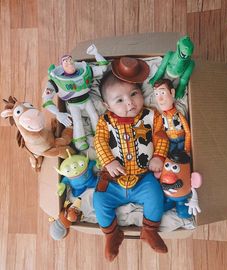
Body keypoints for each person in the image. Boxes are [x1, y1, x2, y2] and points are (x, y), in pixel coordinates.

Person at [93, 57, 169, 262]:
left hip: (142, 178)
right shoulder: (105, 121)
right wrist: (108, 161)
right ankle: (112, 234)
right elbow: (99, 141)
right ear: (106, 105)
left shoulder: (150, 116)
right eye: (119, 100)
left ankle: (149, 230)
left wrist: (158, 156)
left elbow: (161, 135)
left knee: (155, 195)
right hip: (113, 182)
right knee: (99, 200)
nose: (130, 102)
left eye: (134, 94)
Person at [42, 44, 108, 150]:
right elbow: (46, 100)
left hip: (87, 99)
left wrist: (96, 53)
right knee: (77, 121)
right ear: (62, 65)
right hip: (73, 104)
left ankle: (100, 137)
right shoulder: (56, 80)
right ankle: (79, 141)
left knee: (95, 116)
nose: (69, 63)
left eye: (70, 60)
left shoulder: (85, 70)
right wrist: (58, 113)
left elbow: (103, 66)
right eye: (65, 61)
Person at [153, 78, 191, 154]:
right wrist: (155, 147)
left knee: (181, 155)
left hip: (181, 141)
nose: (159, 99)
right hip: (170, 142)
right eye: (156, 94)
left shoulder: (178, 114)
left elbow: (187, 131)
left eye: (162, 93)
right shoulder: (162, 117)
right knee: (170, 156)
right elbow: (156, 132)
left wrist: (187, 147)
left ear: (172, 93)